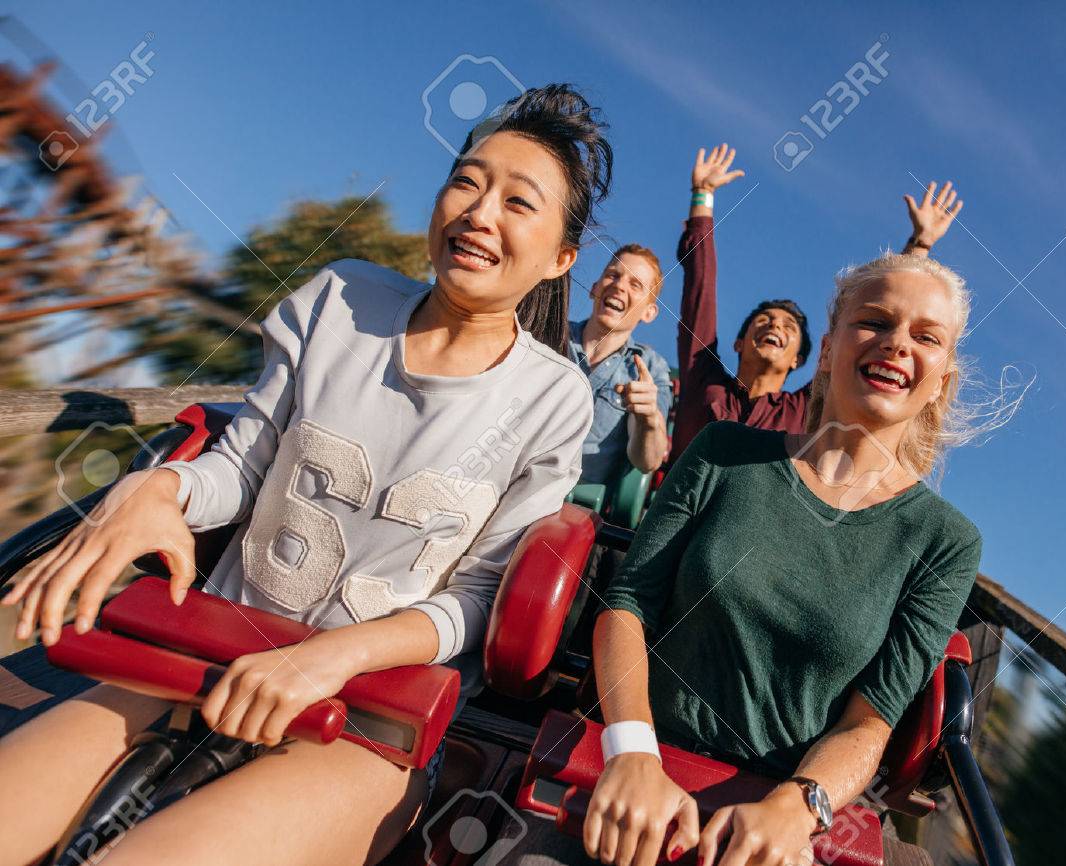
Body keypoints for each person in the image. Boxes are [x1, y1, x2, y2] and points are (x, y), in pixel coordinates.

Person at [0, 83, 611, 866]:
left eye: (518, 202)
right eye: (466, 181)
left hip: (363, 719)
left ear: (561, 258)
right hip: (198, 654)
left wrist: (329, 657)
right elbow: (240, 468)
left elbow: (479, 598)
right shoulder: (340, 295)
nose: (478, 212)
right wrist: (162, 489)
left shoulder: (553, 395)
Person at [512, 251, 1016, 866]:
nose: (896, 345)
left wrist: (796, 808)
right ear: (828, 351)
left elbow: (870, 723)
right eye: (875, 322)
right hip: (639, 768)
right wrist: (633, 752)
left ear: (941, 378)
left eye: (925, 337)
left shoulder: (946, 541)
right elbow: (626, 605)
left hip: (779, 817)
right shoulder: (722, 451)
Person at [670, 143, 964, 463]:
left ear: (801, 359)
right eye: (764, 319)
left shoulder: (806, 407)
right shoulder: (703, 377)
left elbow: (876, 309)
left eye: (788, 326)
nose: (774, 325)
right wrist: (703, 194)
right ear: (739, 343)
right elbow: (699, 288)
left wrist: (919, 245)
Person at [568, 245, 674, 487]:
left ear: (649, 312)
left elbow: (647, 461)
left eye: (635, 285)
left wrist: (648, 418)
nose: (619, 285)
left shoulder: (650, 368)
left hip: (572, 508)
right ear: (595, 288)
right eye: (613, 275)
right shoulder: (550, 333)